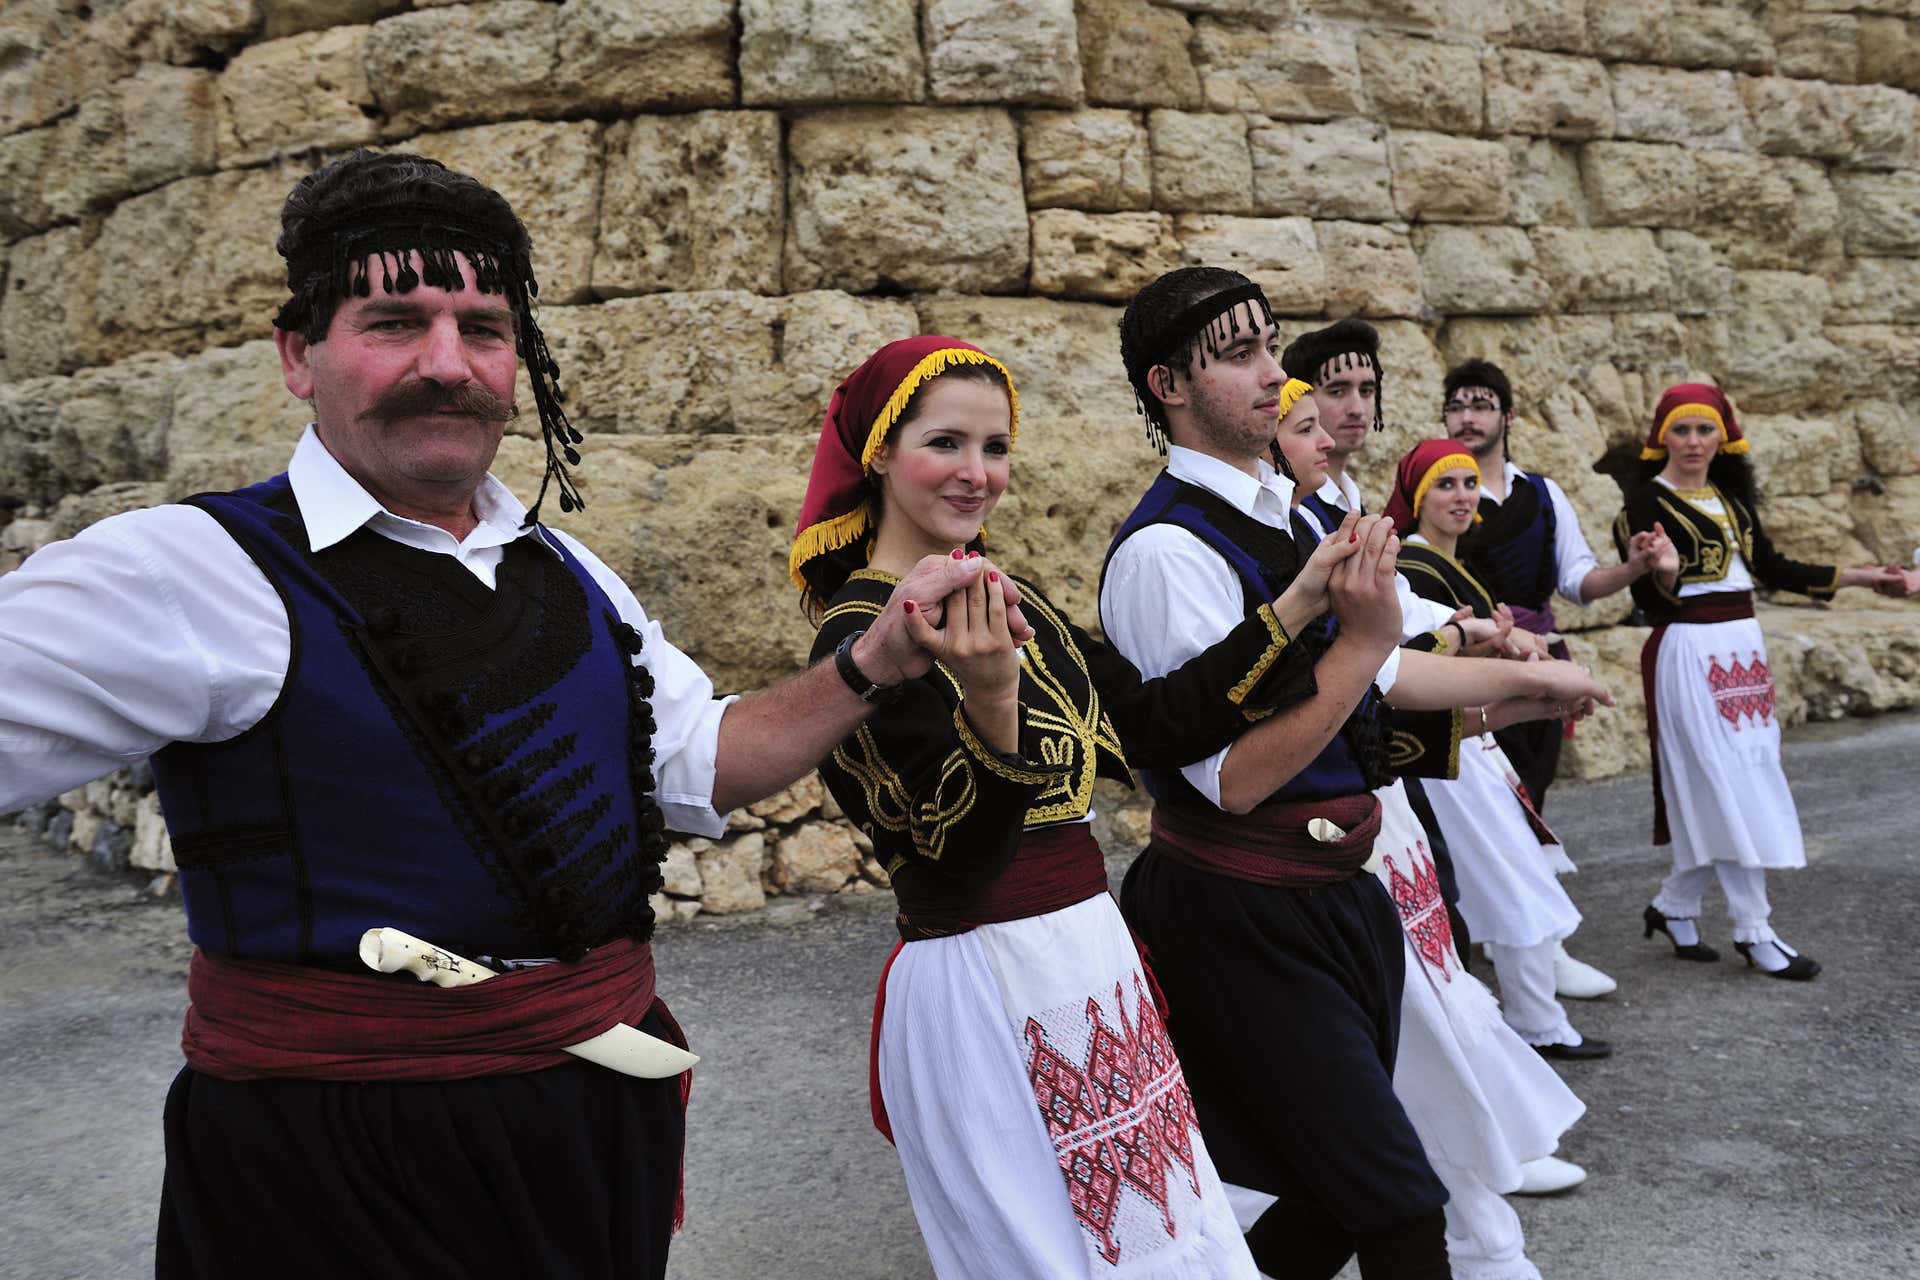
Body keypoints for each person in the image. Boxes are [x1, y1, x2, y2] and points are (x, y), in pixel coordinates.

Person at [0, 150, 1016, 1280]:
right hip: (330, 1164)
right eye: (394, 322)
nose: (448, 364)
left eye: (483, 329)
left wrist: (872, 660)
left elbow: (702, 760)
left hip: (589, 1133)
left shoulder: (571, 573)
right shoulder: (187, 569)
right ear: (298, 354)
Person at [791, 335, 1358, 1277]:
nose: (976, 473)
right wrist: (993, 703)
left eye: (995, 448)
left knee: (1171, 1241)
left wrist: (1298, 603)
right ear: (880, 454)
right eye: (945, 443)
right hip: (983, 974)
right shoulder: (859, 640)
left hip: (1087, 955)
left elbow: (1159, 722)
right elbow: (954, 861)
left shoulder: (1016, 602)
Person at [1099, 266, 1612, 1279]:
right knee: (1399, 1206)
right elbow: (1233, 778)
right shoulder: (1166, 552)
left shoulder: (1287, 520)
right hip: (1244, 905)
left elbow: (1372, 681)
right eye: (1239, 354)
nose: (1272, 372)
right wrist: (1370, 636)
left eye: (1269, 343)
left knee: (1333, 1200)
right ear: (1168, 384)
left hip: (1338, 894)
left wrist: (1523, 684)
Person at [1277, 400, 1589, 1279]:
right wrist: (1478, 649)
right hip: (1336, 811)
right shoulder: (1281, 547)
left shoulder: (1326, 528)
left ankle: (1484, 1197)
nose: (1328, 439)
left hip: (1378, 794)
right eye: (1301, 427)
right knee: (1412, 1019)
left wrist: (1495, 673)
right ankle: (1483, 1231)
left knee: (1436, 990)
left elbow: (1394, 651)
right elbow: (1382, 660)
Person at [1282, 328, 1617, 1004]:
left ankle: (1527, 979)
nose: (1354, 407)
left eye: (1366, 390)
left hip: (1398, 713)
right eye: (1334, 392)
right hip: (1343, 737)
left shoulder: (1345, 500)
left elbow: (1402, 610)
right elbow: (1370, 633)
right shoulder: (1297, 513)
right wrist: (1476, 642)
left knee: (1473, 868)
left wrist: (1497, 642)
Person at [1618, 384, 1901, 980]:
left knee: (1739, 776)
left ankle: (1674, 906)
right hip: (1690, 648)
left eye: (1705, 430)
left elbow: (1771, 567)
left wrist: (1865, 576)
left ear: (1724, 437)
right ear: (1661, 438)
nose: (1694, 441)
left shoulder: (1731, 500)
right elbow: (1649, 596)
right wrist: (1664, 571)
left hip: (1742, 647)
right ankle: (1754, 929)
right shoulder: (1644, 504)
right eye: (1681, 430)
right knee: (1729, 784)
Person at [1385, 440, 1632, 1061]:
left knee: (1511, 874)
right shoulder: (1414, 566)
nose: (1462, 496)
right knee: (1507, 878)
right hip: (1447, 747)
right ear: (1416, 497)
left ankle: (1530, 1016)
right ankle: (1532, 1022)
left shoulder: (1451, 563)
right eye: (1445, 485)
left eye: (1470, 483)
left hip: (1471, 737)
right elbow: (1413, 657)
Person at [1438, 358, 1668, 813]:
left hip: (1540, 659)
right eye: (1456, 407)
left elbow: (1578, 582)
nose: (1467, 417)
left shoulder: (1543, 495)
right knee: (1487, 803)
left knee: (1533, 794)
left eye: (1481, 406)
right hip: (1472, 670)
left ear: (1508, 417)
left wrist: (1633, 568)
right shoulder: (1437, 498)